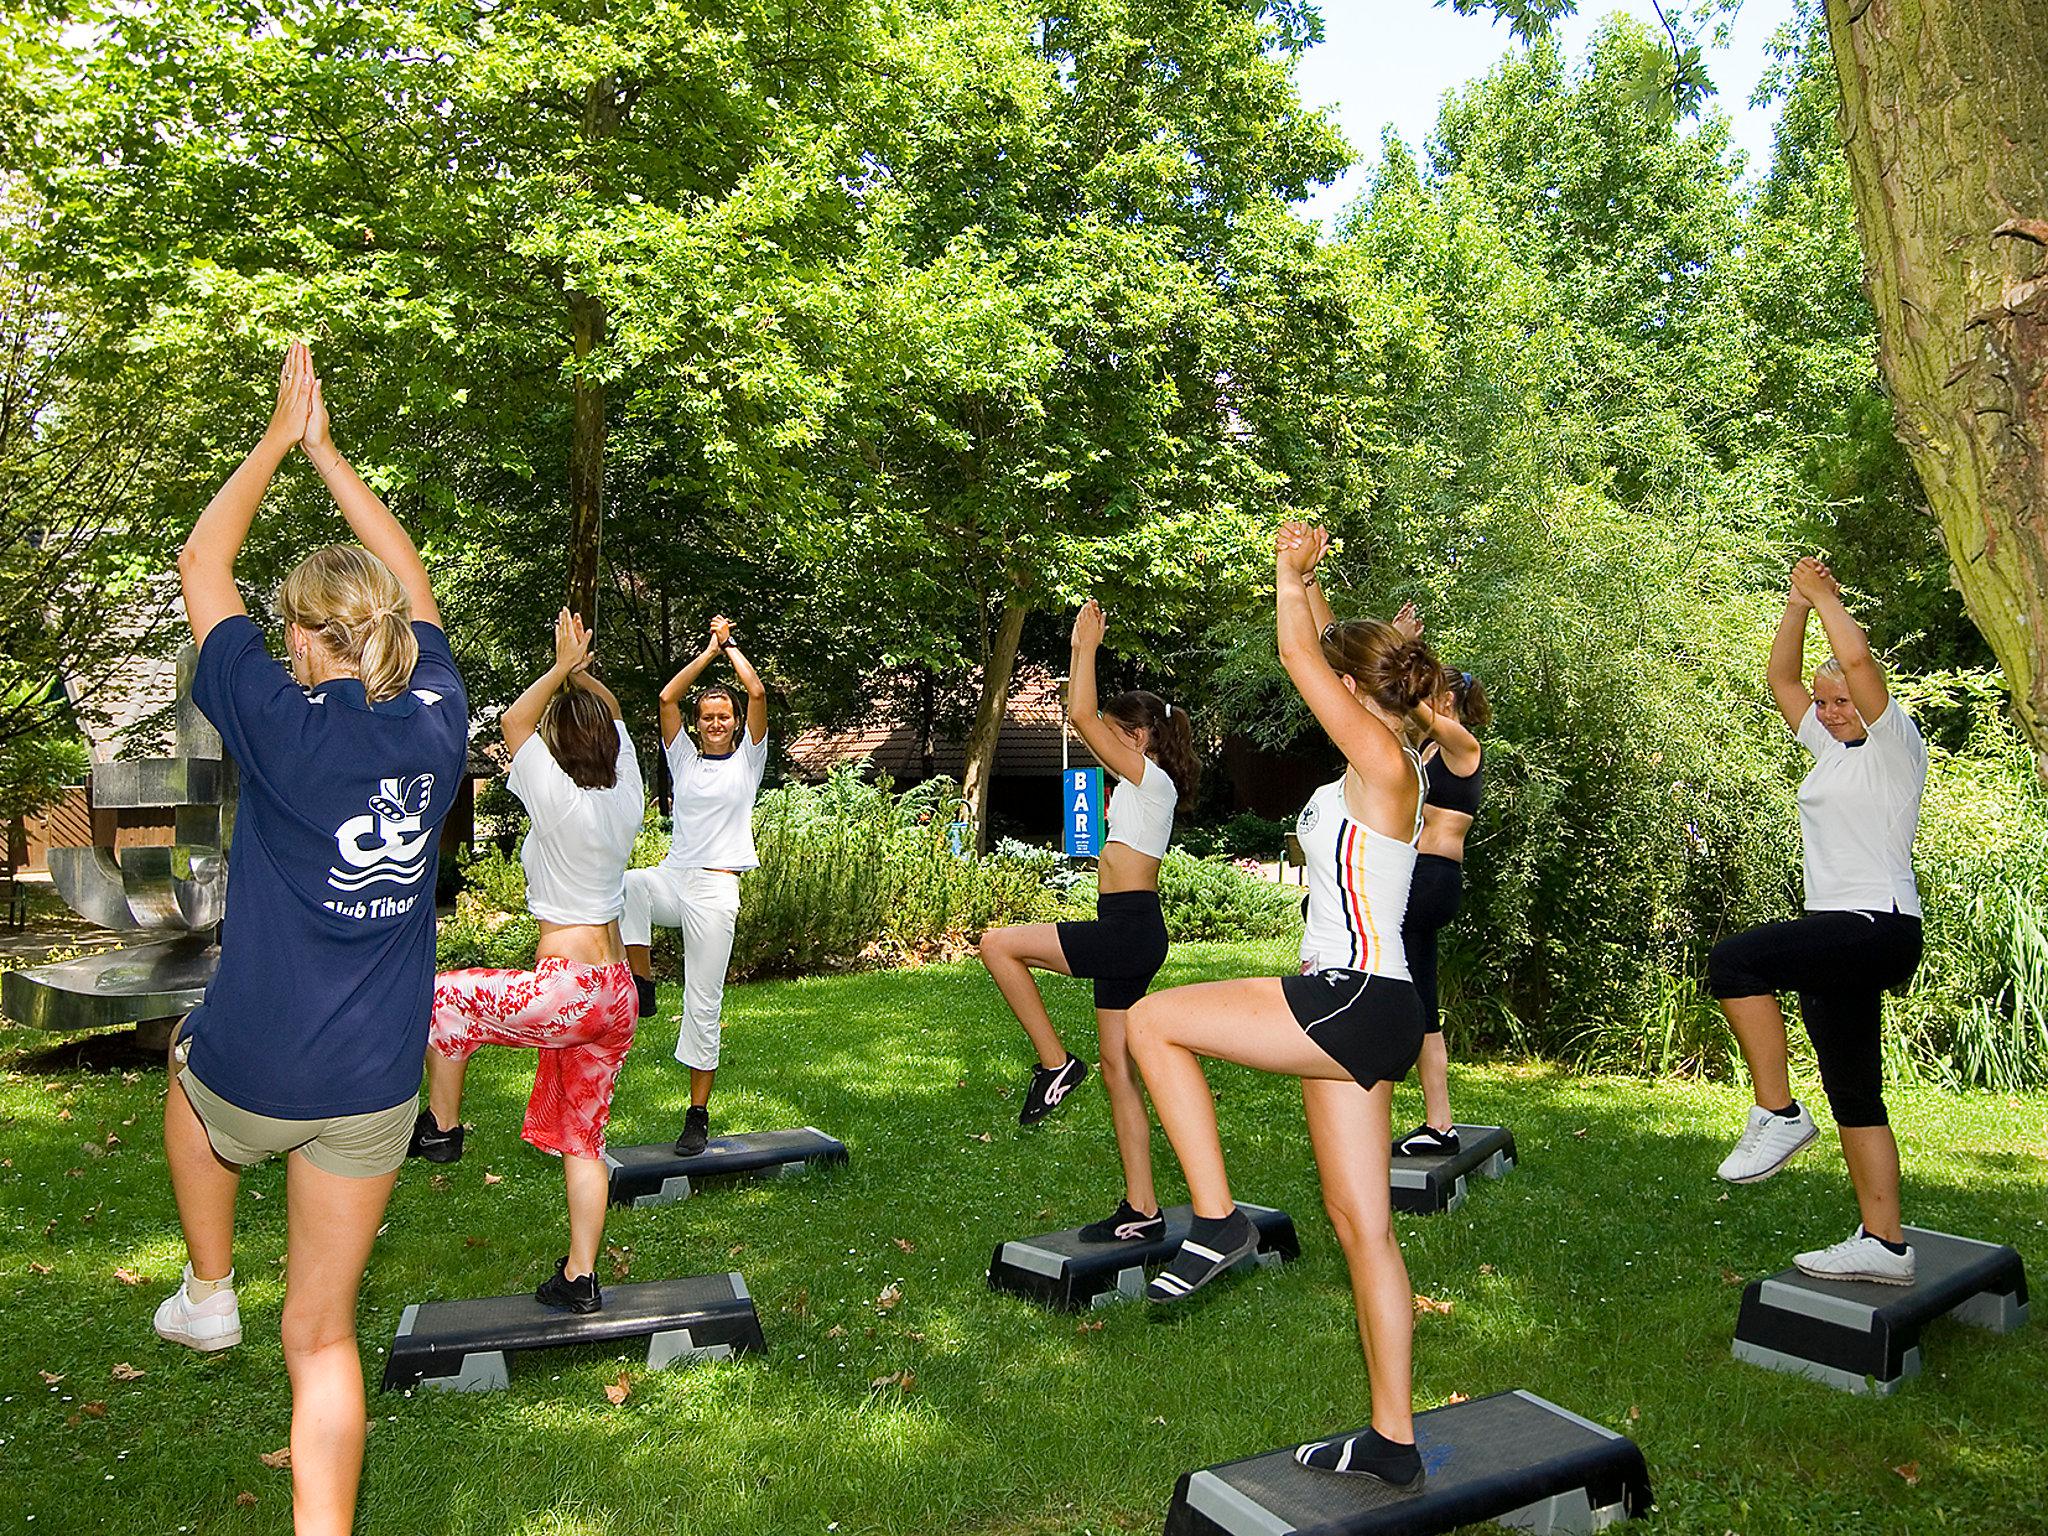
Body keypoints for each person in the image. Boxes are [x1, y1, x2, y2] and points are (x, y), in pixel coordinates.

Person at [157, 344, 469, 1536]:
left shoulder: (278, 720)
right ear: (387, 630)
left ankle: (209, 1285)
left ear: (297, 634)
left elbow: (201, 560)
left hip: (260, 1067)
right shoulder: (436, 719)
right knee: (325, 1338)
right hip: (378, 1088)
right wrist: (335, 459)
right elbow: (415, 578)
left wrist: (281, 442)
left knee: (183, 1070)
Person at [1126, 522, 1440, 1491]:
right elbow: (1318, 647)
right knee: (1363, 1229)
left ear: (1351, 695)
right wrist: (1306, 582)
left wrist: (1282, 582)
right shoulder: (1377, 765)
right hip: (1369, 1010)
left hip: (1348, 994)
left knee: (1149, 1022)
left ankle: (1218, 1222)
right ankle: (1391, 1440)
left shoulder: (1383, 767)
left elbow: (1297, 653)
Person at [410, 609, 643, 1312]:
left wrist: (559, 668)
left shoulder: (560, 798)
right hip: (616, 994)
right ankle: (581, 1276)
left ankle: (443, 1130)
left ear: (559, 747)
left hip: (568, 988)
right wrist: (582, 672)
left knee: (444, 996)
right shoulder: (626, 794)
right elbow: (619, 715)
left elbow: (513, 722)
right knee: (584, 1139)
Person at [1706, 556, 1929, 1283]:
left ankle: (1777, 1113)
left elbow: (1859, 659)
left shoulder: (1895, 748)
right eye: (1826, 702)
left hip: (1877, 923)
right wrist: (1796, 603)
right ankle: (1884, 1243)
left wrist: (1830, 596)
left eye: (1842, 701)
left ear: (1868, 702)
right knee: (1854, 1088)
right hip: (1839, 930)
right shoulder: (1827, 750)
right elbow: (1780, 679)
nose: (1830, 710)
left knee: (1736, 961)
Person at [975, 599, 1202, 1240]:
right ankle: (1142, 1207)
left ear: (1137, 736)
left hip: (1126, 929)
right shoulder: (1142, 785)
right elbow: (1086, 720)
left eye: (1111, 731)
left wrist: (1083, 650)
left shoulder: (1151, 778)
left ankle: (1052, 1064)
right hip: (1129, 926)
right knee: (1118, 1070)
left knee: (998, 945)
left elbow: (1078, 713)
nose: (1098, 738)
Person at [621, 615, 768, 1154]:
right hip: (674, 876)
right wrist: (706, 652)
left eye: (721, 716)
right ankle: (642, 985)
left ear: (733, 723)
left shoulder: (748, 762)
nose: (713, 723)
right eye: (706, 716)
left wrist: (729, 648)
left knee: (704, 1003)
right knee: (630, 886)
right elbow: (665, 697)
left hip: (716, 890)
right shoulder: (681, 756)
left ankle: (697, 1114)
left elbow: (754, 690)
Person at [1385, 604, 1489, 1157]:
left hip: (1432, 879)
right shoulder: (1426, 750)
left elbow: (1407, 708)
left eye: (1429, 691)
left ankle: (1372, 1059)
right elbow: (1381, 713)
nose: (1420, 698)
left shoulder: (1462, 747)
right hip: (1416, 877)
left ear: (1446, 701)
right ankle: (1439, 1122)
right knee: (1421, 997)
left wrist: (1401, 651)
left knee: (1382, 977)